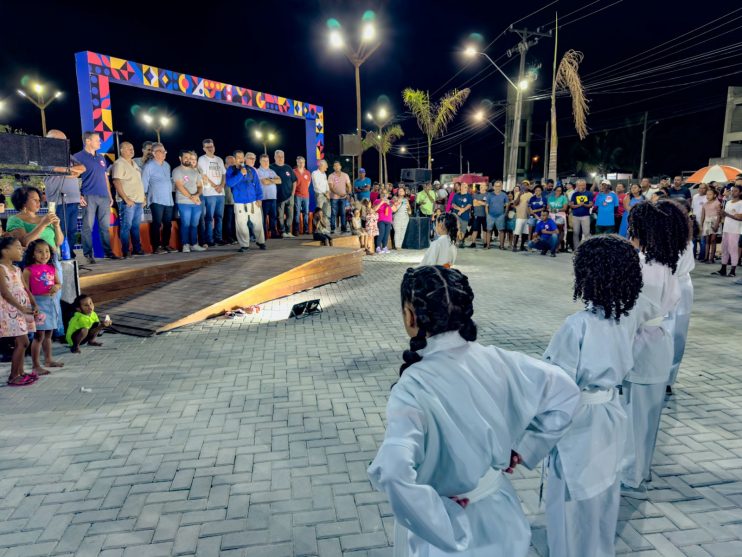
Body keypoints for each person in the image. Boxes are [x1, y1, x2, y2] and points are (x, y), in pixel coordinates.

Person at [367, 266, 580, 557]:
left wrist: (438, 516)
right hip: (502, 512)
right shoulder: (498, 360)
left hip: (451, 531)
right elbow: (566, 391)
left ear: (409, 316)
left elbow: (393, 472)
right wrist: (526, 447)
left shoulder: (411, 388)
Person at [543, 235, 642, 557]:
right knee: (603, 495)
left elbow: (555, 385)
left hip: (578, 421)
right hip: (611, 412)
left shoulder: (577, 326)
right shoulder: (625, 318)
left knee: (570, 505)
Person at [621, 200, 688, 498]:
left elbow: (634, 312)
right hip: (659, 339)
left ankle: (631, 473)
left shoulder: (643, 267)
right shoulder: (665, 265)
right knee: (649, 415)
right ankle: (642, 469)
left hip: (641, 343)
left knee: (634, 414)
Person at [22, 239, 64, 376]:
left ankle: (48, 360)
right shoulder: (28, 270)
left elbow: (58, 283)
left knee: (48, 334)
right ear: (32, 254)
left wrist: (56, 287)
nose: (44, 254)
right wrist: (32, 306)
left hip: (50, 303)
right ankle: (35, 365)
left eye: (46, 251)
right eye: (39, 251)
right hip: (38, 304)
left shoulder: (52, 268)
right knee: (38, 336)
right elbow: (25, 291)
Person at [74, 131, 117, 263]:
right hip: (88, 195)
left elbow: (105, 177)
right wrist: (78, 195)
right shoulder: (77, 157)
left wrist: (110, 195)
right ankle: (88, 254)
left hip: (103, 196)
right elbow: (73, 177)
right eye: (97, 140)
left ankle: (108, 252)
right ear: (88, 141)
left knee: (105, 226)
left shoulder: (101, 158)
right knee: (88, 226)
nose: (100, 142)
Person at [666, 202, 695, 393]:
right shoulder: (676, 235)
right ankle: (665, 376)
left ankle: (668, 378)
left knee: (676, 332)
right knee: (669, 330)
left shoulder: (683, 238)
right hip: (675, 283)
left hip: (677, 283)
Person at [0, 237, 37, 386]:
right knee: (23, 341)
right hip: (10, 310)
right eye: (17, 247)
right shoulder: (0, 269)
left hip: (22, 308)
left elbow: (25, 288)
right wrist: (21, 308)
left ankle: (21, 372)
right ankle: (13, 376)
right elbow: (5, 293)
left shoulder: (16, 268)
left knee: (22, 341)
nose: (21, 249)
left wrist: (34, 303)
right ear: (5, 250)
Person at [44, 130, 86, 258]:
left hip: (73, 199)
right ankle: (58, 255)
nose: (64, 143)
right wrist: (73, 172)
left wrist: (70, 171)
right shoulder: (46, 155)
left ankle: (69, 254)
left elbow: (83, 168)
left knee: (72, 230)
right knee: (59, 229)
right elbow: (57, 170)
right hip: (57, 200)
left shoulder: (68, 156)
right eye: (61, 140)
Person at [111, 141, 146, 258]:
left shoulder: (135, 164)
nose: (131, 150)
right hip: (128, 201)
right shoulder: (119, 163)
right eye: (128, 148)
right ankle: (125, 251)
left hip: (138, 200)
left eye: (132, 148)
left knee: (135, 226)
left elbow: (138, 183)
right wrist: (126, 199)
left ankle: (137, 249)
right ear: (121, 150)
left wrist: (143, 197)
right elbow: (116, 181)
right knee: (126, 226)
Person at [226, 152, 266, 252]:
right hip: (239, 202)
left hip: (253, 201)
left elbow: (257, 184)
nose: (240, 159)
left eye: (241, 157)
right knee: (241, 225)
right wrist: (240, 174)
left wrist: (259, 198)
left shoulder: (251, 169)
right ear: (234, 159)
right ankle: (244, 245)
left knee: (258, 223)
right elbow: (230, 183)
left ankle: (261, 242)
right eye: (238, 157)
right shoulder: (231, 170)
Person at [6, 187, 63, 254]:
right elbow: (24, 242)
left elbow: (58, 242)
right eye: (35, 200)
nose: (38, 203)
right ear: (23, 202)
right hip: (31, 261)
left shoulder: (45, 218)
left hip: (53, 259)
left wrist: (57, 226)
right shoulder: (14, 220)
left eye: (39, 200)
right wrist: (43, 225)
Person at [141, 143, 175, 254]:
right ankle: (156, 246)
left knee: (168, 223)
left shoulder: (167, 165)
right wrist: (144, 197)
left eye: (165, 151)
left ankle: (166, 244)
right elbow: (144, 183)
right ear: (154, 153)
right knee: (157, 223)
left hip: (168, 200)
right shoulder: (149, 166)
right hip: (156, 199)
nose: (164, 153)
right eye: (161, 151)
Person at [172, 150, 205, 253]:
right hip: (184, 202)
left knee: (194, 224)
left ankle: (194, 244)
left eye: (189, 158)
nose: (188, 159)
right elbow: (180, 186)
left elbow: (200, 186)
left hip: (196, 202)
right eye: (185, 157)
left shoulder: (195, 171)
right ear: (180, 158)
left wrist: (197, 195)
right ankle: (185, 244)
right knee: (185, 224)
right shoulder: (177, 170)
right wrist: (192, 197)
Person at [197, 139, 227, 246]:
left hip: (220, 193)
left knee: (219, 217)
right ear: (204, 148)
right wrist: (215, 186)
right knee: (209, 217)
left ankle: (218, 238)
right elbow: (203, 175)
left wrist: (221, 185)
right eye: (208, 147)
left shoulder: (219, 159)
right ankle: (209, 239)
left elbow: (224, 174)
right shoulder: (202, 159)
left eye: (212, 146)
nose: (210, 148)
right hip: (209, 193)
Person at [713, 184, 742, 277]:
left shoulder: (741, 203)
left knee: (733, 250)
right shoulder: (728, 202)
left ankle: (733, 270)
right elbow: (725, 216)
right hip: (726, 228)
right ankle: (723, 269)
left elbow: (740, 218)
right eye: (732, 190)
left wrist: (726, 214)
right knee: (724, 249)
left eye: (735, 191)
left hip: (735, 230)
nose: (733, 192)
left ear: (740, 192)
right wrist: (721, 213)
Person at [256, 154, 282, 238]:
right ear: (260, 161)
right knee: (263, 218)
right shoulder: (258, 171)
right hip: (264, 198)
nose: (266, 162)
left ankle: (274, 233)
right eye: (264, 161)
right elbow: (264, 182)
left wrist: (269, 179)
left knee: (273, 217)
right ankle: (264, 235)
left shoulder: (271, 171)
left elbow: (279, 181)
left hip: (273, 197)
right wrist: (273, 180)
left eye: (267, 160)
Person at [271, 150, 296, 237]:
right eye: (279, 156)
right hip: (279, 196)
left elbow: (294, 181)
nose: (281, 158)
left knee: (290, 215)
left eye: (282, 156)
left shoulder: (288, 168)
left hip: (290, 196)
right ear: (275, 157)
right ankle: (282, 232)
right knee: (280, 216)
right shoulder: (271, 167)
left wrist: (292, 193)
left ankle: (288, 231)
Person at [328, 161, 351, 233]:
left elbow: (349, 185)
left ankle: (343, 228)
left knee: (343, 213)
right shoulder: (331, 176)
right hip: (334, 198)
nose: (336, 167)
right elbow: (331, 188)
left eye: (338, 165)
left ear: (340, 167)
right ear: (333, 167)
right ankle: (332, 228)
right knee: (333, 213)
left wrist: (348, 194)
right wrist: (338, 194)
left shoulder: (345, 175)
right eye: (335, 166)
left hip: (343, 198)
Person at [569, 179, 593, 249]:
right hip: (575, 216)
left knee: (587, 233)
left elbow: (591, 204)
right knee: (576, 233)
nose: (581, 187)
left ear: (585, 185)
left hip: (585, 216)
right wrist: (579, 205)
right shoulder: (574, 194)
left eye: (582, 185)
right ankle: (576, 248)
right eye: (579, 185)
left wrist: (584, 205)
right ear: (577, 186)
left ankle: (588, 248)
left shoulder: (589, 193)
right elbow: (571, 205)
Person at [485, 181, 508, 250]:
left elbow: (507, 205)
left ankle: (501, 246)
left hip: (500, 215)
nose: (497, 187)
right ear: (493, 187)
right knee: (489, 230)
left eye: (499, 186)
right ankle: (488, 245)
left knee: (501, 230)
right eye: (496, 186)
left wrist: (505, 213)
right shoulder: (489, 195)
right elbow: (486, 206)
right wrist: (487, 214)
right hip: (491, 215)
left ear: (501, 187)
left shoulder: (504, 195)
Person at [701, 186, 721, 264]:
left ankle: (711, 258)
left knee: (713, 240)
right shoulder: (705, 204)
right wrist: (701, 224)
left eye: (710, 194)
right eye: (707, 194)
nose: (708, 196)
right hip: (707, 222)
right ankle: (706, 257)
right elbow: (703, 215)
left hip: (714, 222)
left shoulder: (717, 203)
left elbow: (719, 215)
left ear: (715, 195)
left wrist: (716, 225)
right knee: (707, 240)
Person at [547, 184, 569, 252]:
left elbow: (565, 208)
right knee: (551, 230)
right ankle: (551, 245)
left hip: (560, 215)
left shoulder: (563, 198)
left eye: (560, 191)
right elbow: (547, 207)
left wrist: (557, 210)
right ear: (554, 190)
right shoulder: (550, 198)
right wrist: (550, 209)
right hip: (551, 215)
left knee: (560, 230)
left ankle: (558, 246)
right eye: (557, 190)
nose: (558, 192)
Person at [293, 156, 311, 235]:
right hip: (297, 195)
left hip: (306, 196)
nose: (301, 164)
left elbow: (308, 184)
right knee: (297, 213)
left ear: (304, 163)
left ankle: (306, 229)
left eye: (302, 162)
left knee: (306, 213)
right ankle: (296, 230)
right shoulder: (294, 171)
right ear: (297, 163)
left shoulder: (307, 172)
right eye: (299, 162)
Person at [451, 183, 473, 249]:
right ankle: (456, 241)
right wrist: (459, 209)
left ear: (467, 188)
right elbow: (453, 205)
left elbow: (469, 205)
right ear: (461, 187)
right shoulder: (456, 195)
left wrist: (462, 210)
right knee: (457, 228)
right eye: (463, 186)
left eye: (465, 187)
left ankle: (461, 241)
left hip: (465, 216)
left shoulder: (469, 196)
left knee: (463, 230)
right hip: (456, 215)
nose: (464, 188)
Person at [512, 183, 533, 252]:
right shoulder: (517, 193)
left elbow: (531, 205)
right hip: (519, 216)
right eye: (523, 185)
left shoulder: (531, 195)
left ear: (529, 186)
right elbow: (515, 203)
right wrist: (519, 195)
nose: (525, 186)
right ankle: (514, 246)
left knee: (525, 233)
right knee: (517, 232)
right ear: (521, 186)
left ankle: (522, 246)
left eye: (526, 185)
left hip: (527, 216)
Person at [222, 155, 237, 244]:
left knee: (234, 220)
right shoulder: (224, 173)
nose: (233, 164)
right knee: (227, 220)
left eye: (233, 163)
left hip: (235, 201)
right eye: (230, 163)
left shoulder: (235, 172)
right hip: (226, 201)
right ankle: (228, 237)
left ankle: (234, 236)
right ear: (225, 164)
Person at [691, 183, 708, 259]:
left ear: (706, 189)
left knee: (702, 241)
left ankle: (702, 256)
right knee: (693, 240)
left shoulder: (707, 197)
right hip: (694, 221)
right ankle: (692, 256)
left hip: (704, 221)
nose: (701, 189)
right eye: (700, 188)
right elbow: (692, 208)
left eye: (703, 188)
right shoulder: (695, 197)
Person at [468, 184, 488, 249]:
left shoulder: (488, 195)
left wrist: (479, 202)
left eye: (483, 186)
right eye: (480, 186)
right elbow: (474, 204)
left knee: (485, 230)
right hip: (477, 215)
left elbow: (488, 204)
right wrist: (483, 203)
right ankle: (473, 243)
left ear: (486, 187)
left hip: (486, 215)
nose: (481, 187)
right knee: (475, 229)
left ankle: (485, 243)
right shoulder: (476, 195)